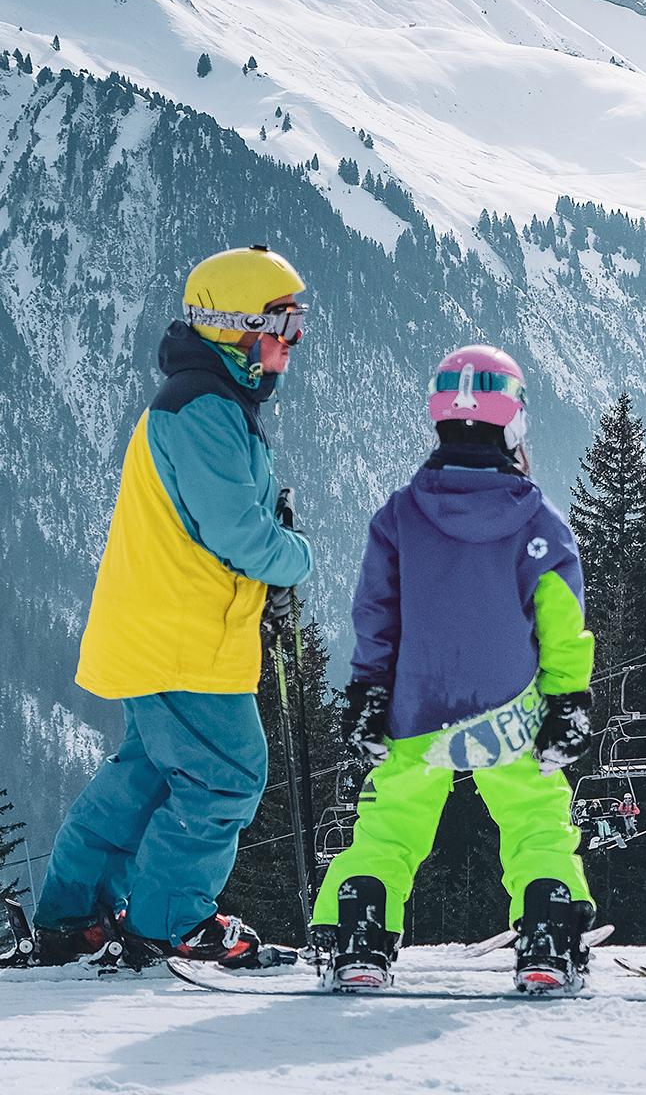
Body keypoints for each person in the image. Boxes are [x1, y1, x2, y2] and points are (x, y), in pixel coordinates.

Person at [6, 247, 312, 970]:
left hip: (159, 631)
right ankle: (172, 922)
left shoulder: (202, 400)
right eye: (283, 325)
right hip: (185, 641)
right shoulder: (203, 410)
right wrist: (295, 553)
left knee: (145, 775)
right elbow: (236, 534)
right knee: (227, 775)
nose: (291, 343)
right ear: (237, 329)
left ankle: (74, 913)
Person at [310, 345, 597, 993]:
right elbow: (561, 624)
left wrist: (367, 690)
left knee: (390, 821)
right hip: (509, 707)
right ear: (514, 425)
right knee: (533, 816)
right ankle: (548, 941)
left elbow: (376, 615)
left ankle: (360, 938)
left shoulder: (400, 517)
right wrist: (567, 699)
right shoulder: (538, 522)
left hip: (419, 705)